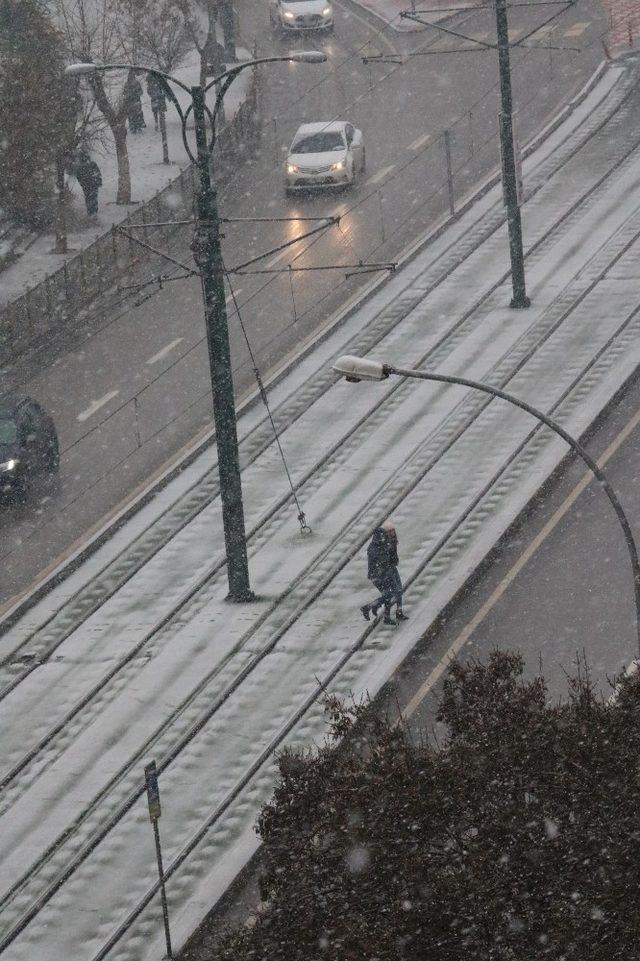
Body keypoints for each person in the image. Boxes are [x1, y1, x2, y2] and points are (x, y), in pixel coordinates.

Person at [361, 520, 408, 626]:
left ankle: (385, 611)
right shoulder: (377, 547)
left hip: (388, 570)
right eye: (389, 531)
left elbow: (391, 556)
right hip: (382, 574)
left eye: (393, 530)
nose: (392, 533)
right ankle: (373, 607)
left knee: (394, 592)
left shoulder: (386, 543)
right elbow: (381, 561)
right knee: (392, 593)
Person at [73, 149, 102, 221]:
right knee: (93, 198)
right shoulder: (92, 164)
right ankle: (94, 213)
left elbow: (78, 177)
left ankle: (91, 213)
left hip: (87, 185)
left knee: (88, 198)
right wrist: (98, 182)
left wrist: (82, 184)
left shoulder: (80, 167)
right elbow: (98, 173)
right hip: (93, 184)